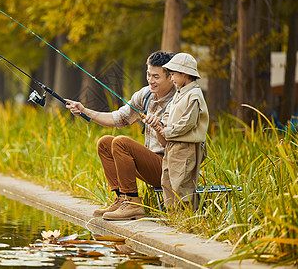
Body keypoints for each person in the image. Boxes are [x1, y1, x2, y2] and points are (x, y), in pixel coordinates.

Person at [66, 51, 177, 220]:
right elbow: (116, 118)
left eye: (156, 76)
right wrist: (83, 110)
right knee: (105, 143)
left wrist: (159, 127)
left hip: (169, 169)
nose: (150, 80)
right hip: (149, 162)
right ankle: (122, 199)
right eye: (148, 74)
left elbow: (172, 141)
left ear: (171, 77)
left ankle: (134, 203)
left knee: (121, 142)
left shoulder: (179, 100)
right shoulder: (145, 95)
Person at [143, 53, 209, 211]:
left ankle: (186, 218)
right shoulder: (180, 93)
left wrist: (168, 132)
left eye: (173, 74)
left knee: (182, 184)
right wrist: (160, 125)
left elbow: (188, 122)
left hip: (185, 148)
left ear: (184, 74)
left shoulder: (194, 95)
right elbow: (168, 114)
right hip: (172, 147)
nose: (171, 78)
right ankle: (172, 215)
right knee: (167, 181)